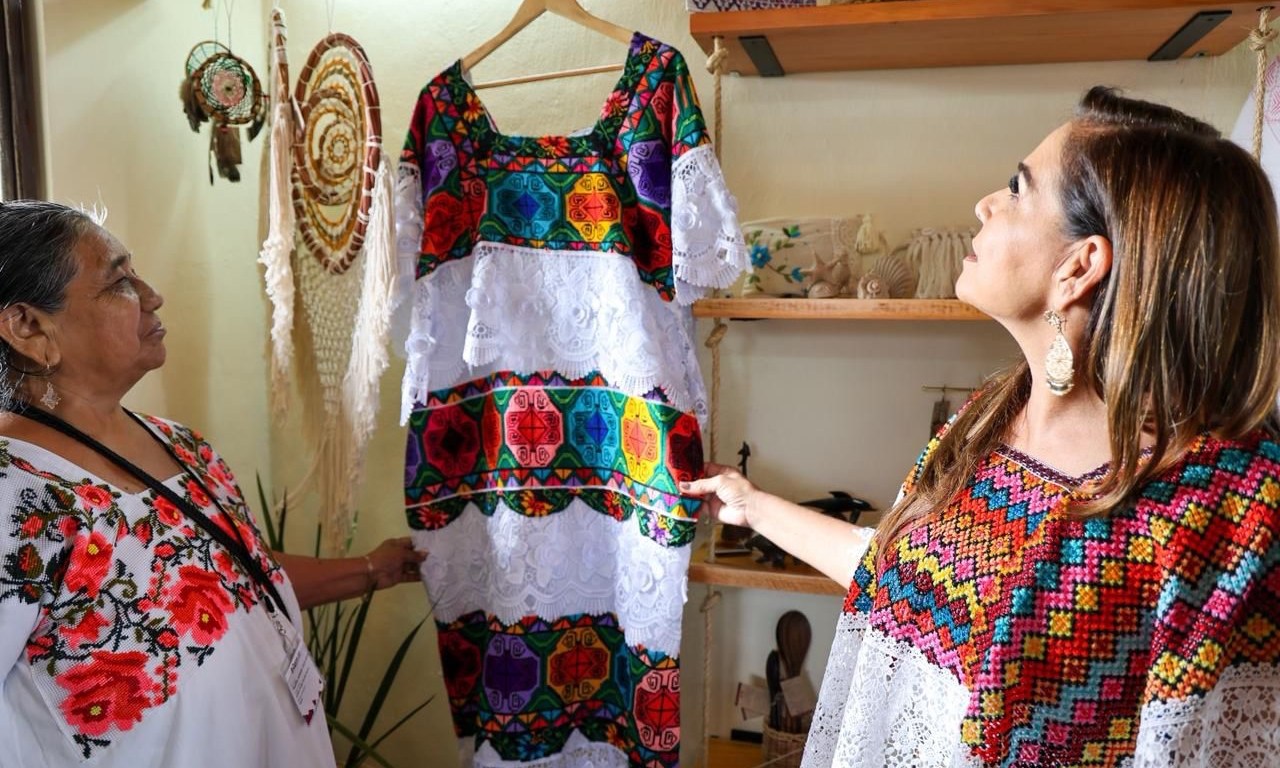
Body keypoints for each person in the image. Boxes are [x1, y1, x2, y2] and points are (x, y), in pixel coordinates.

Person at [683, 86, 1280, 767]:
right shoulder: (989, 417)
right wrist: (751, 506)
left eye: (1018, 189)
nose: (985, 204)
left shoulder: (1228, 505)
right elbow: (903, 579)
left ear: (1079, 266)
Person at [0, 200, 426, 768]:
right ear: (28, 327)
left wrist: (374, 569)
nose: (152, 295)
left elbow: (237, 579)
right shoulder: (15, 492)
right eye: (120, 282)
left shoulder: (182, 445)